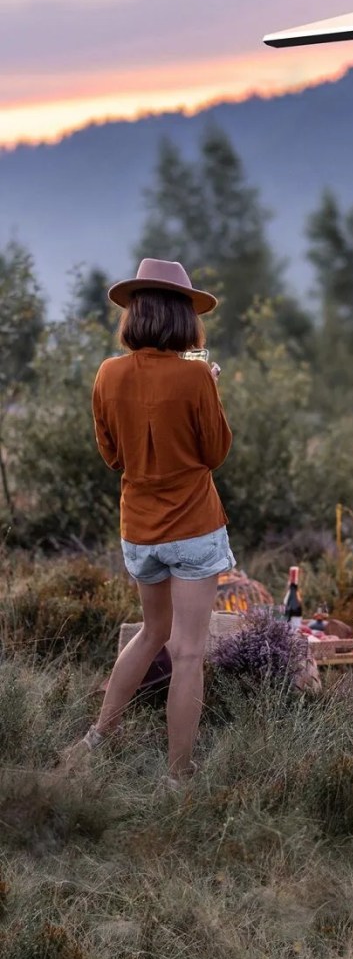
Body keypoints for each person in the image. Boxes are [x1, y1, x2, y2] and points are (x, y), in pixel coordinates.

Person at [59, 258, 234, 788]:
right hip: (194, 527)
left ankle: (97, 737)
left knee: (151, 632)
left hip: (139, 528)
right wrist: (209, 388)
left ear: (135, 313)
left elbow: (112, 457)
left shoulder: (108, 373)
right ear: (183, 318)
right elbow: (216, 452)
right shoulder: (197, 374)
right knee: (187, 651)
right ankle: (180, 778)